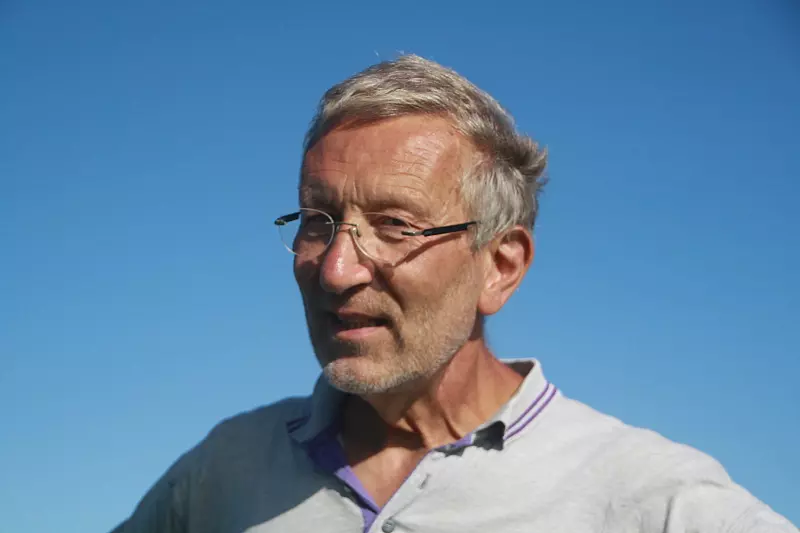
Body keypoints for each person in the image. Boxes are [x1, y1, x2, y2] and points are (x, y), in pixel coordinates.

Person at [112, 55, 796, 533]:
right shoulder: (225, 472)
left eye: (395, 225)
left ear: (500, 266)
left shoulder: (647, 496)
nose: (337, 269)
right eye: (318, 221)